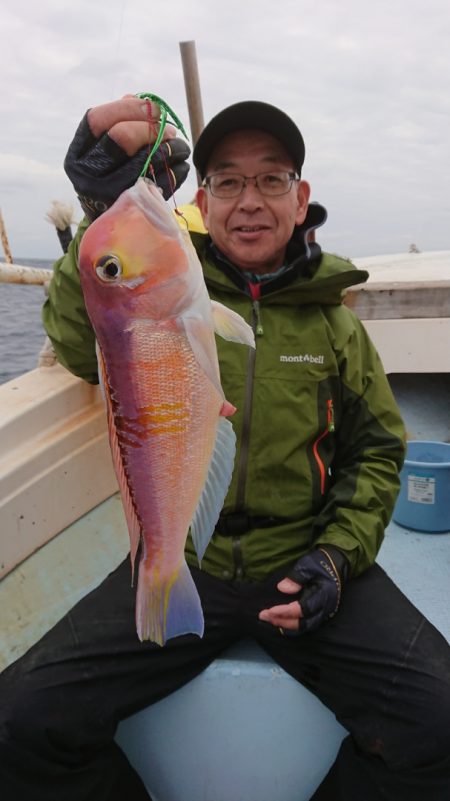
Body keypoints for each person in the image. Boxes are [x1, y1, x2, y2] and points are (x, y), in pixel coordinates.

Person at [1, 95, 449, 801]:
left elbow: (376, 453)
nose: (250, 201)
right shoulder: (160, 285)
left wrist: (337, 557)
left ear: (300, 198)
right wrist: (100, 209)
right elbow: (84, 341)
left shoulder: (336, 325)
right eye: (228, 181)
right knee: (19, 720)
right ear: (201, 202)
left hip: (302, 560)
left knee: (440, 722)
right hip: (182, 555)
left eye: (271, 179)